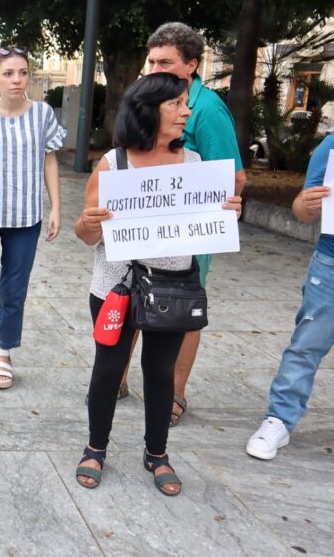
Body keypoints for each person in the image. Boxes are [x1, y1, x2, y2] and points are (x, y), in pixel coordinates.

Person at [73, 72, 241, 496]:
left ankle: (157, 453)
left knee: (160, 372)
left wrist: (227, 212)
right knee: (109, 369)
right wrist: (89, 224)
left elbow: (210, 227)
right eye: (177, 104)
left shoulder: (195, 165)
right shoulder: (114, 163)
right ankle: (95, 448)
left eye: (187, 103)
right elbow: (87, 235)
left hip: (173, 288)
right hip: (118, 286)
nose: (187, 112)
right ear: (149, 110)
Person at [116, 22, 247, 425]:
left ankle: (174, 391)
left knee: (181, 307)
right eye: (151, 60)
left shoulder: (207, 110)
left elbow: (233, 175)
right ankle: (117, 376)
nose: (155, 67)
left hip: (187, 237)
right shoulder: (143, 98)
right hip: (142, 229)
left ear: (192, 65)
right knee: (130, 295)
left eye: (166, 62)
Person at [0, 46, 64, 389]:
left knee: (14, 289)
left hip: (26, 217)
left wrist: (56, 206)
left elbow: (49, 160)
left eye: (22, 72)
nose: (16, 79)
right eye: (8, 73)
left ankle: (4, 352)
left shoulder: (42, 114)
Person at [246, 135, 334, 460]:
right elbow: (302, 209)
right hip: (331, 265)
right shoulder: (331, 147)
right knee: (306, 346)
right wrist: (306, 205)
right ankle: (279, 421)